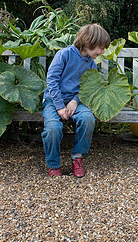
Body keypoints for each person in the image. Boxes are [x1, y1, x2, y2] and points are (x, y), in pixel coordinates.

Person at [41, 24, 111, 177]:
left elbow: (87, 87)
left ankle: (77, 157)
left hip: (75, 102)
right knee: (53, 128)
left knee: (88, 119)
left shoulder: (91, 64)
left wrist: (75, 101)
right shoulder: (64, 55)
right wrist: (60, 106)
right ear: (89, 43)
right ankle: (53, 164)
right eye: (101, 47)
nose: (102, 52)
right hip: (54, 100)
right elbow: (52, 80)